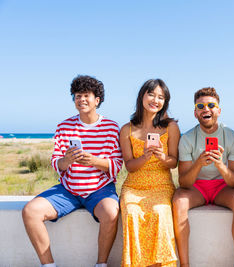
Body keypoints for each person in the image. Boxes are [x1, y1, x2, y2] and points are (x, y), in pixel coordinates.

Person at [22, 75, 123, 267]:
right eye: (77, 96)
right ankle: (48, 265)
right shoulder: (64, 126)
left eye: (86, 95)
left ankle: (101, 264)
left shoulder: (111, 128)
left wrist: (95, 161)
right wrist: (66, 161)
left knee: (111, 212)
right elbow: (55, 163)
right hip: (68, 190)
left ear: (97, 100)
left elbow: (117, 165)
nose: (81, 100)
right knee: (30, 211)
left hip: (100, 190)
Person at [172, 87, 234, 267]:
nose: (206, 109)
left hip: (223, 187)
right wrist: (199, 163)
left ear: (219, 111)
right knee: (178, 201)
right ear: (195, 113)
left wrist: (220, 165)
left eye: (211, 105)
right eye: (201, 106)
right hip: (197, 188)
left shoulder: (230, 136)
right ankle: (184, 265)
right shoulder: (188, 139)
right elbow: (183, 182)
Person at [119, 79, 180, 267]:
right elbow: (129, 166)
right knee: (131, 212)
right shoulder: (126, 129)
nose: (155, 100)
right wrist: (144, 157)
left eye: (161, 97)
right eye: (151, 94)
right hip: (133, 186)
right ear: (142, 96)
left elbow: (174, 162)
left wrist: (162, 157)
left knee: (160, 212)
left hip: (161, 184)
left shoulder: (171, 127)